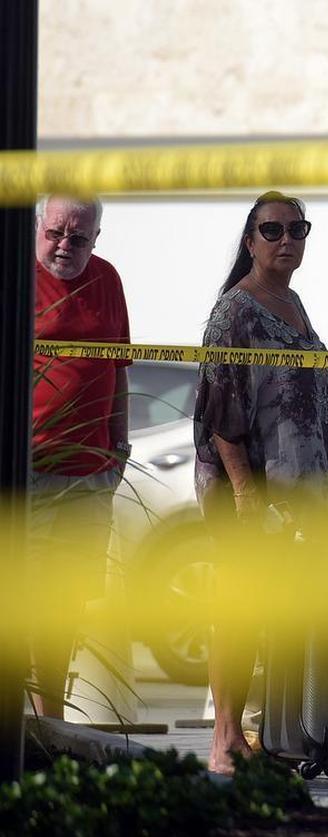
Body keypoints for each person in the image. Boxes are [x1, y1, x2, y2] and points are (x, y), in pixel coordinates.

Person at [194, 191, 328, 775]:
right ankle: (224, 740)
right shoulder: (236, 311)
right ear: (251, 240)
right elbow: (220, 411)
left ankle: (263, 735)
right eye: (273, 230)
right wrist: (246, 494)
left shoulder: (295, 302)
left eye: (297, 230)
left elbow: (306, 396)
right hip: (253, 492)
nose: (286, 240)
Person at [29, 194, 130, 719]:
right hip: (29, 470)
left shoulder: (107, 280)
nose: (65, 244)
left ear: (96, 238)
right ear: (39, 226)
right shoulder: (18, 276)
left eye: (79, 237)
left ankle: (52, 722)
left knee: (65, 605)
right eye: (55, 233)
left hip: (90, 472)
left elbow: (120, 366)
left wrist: (120, 450)